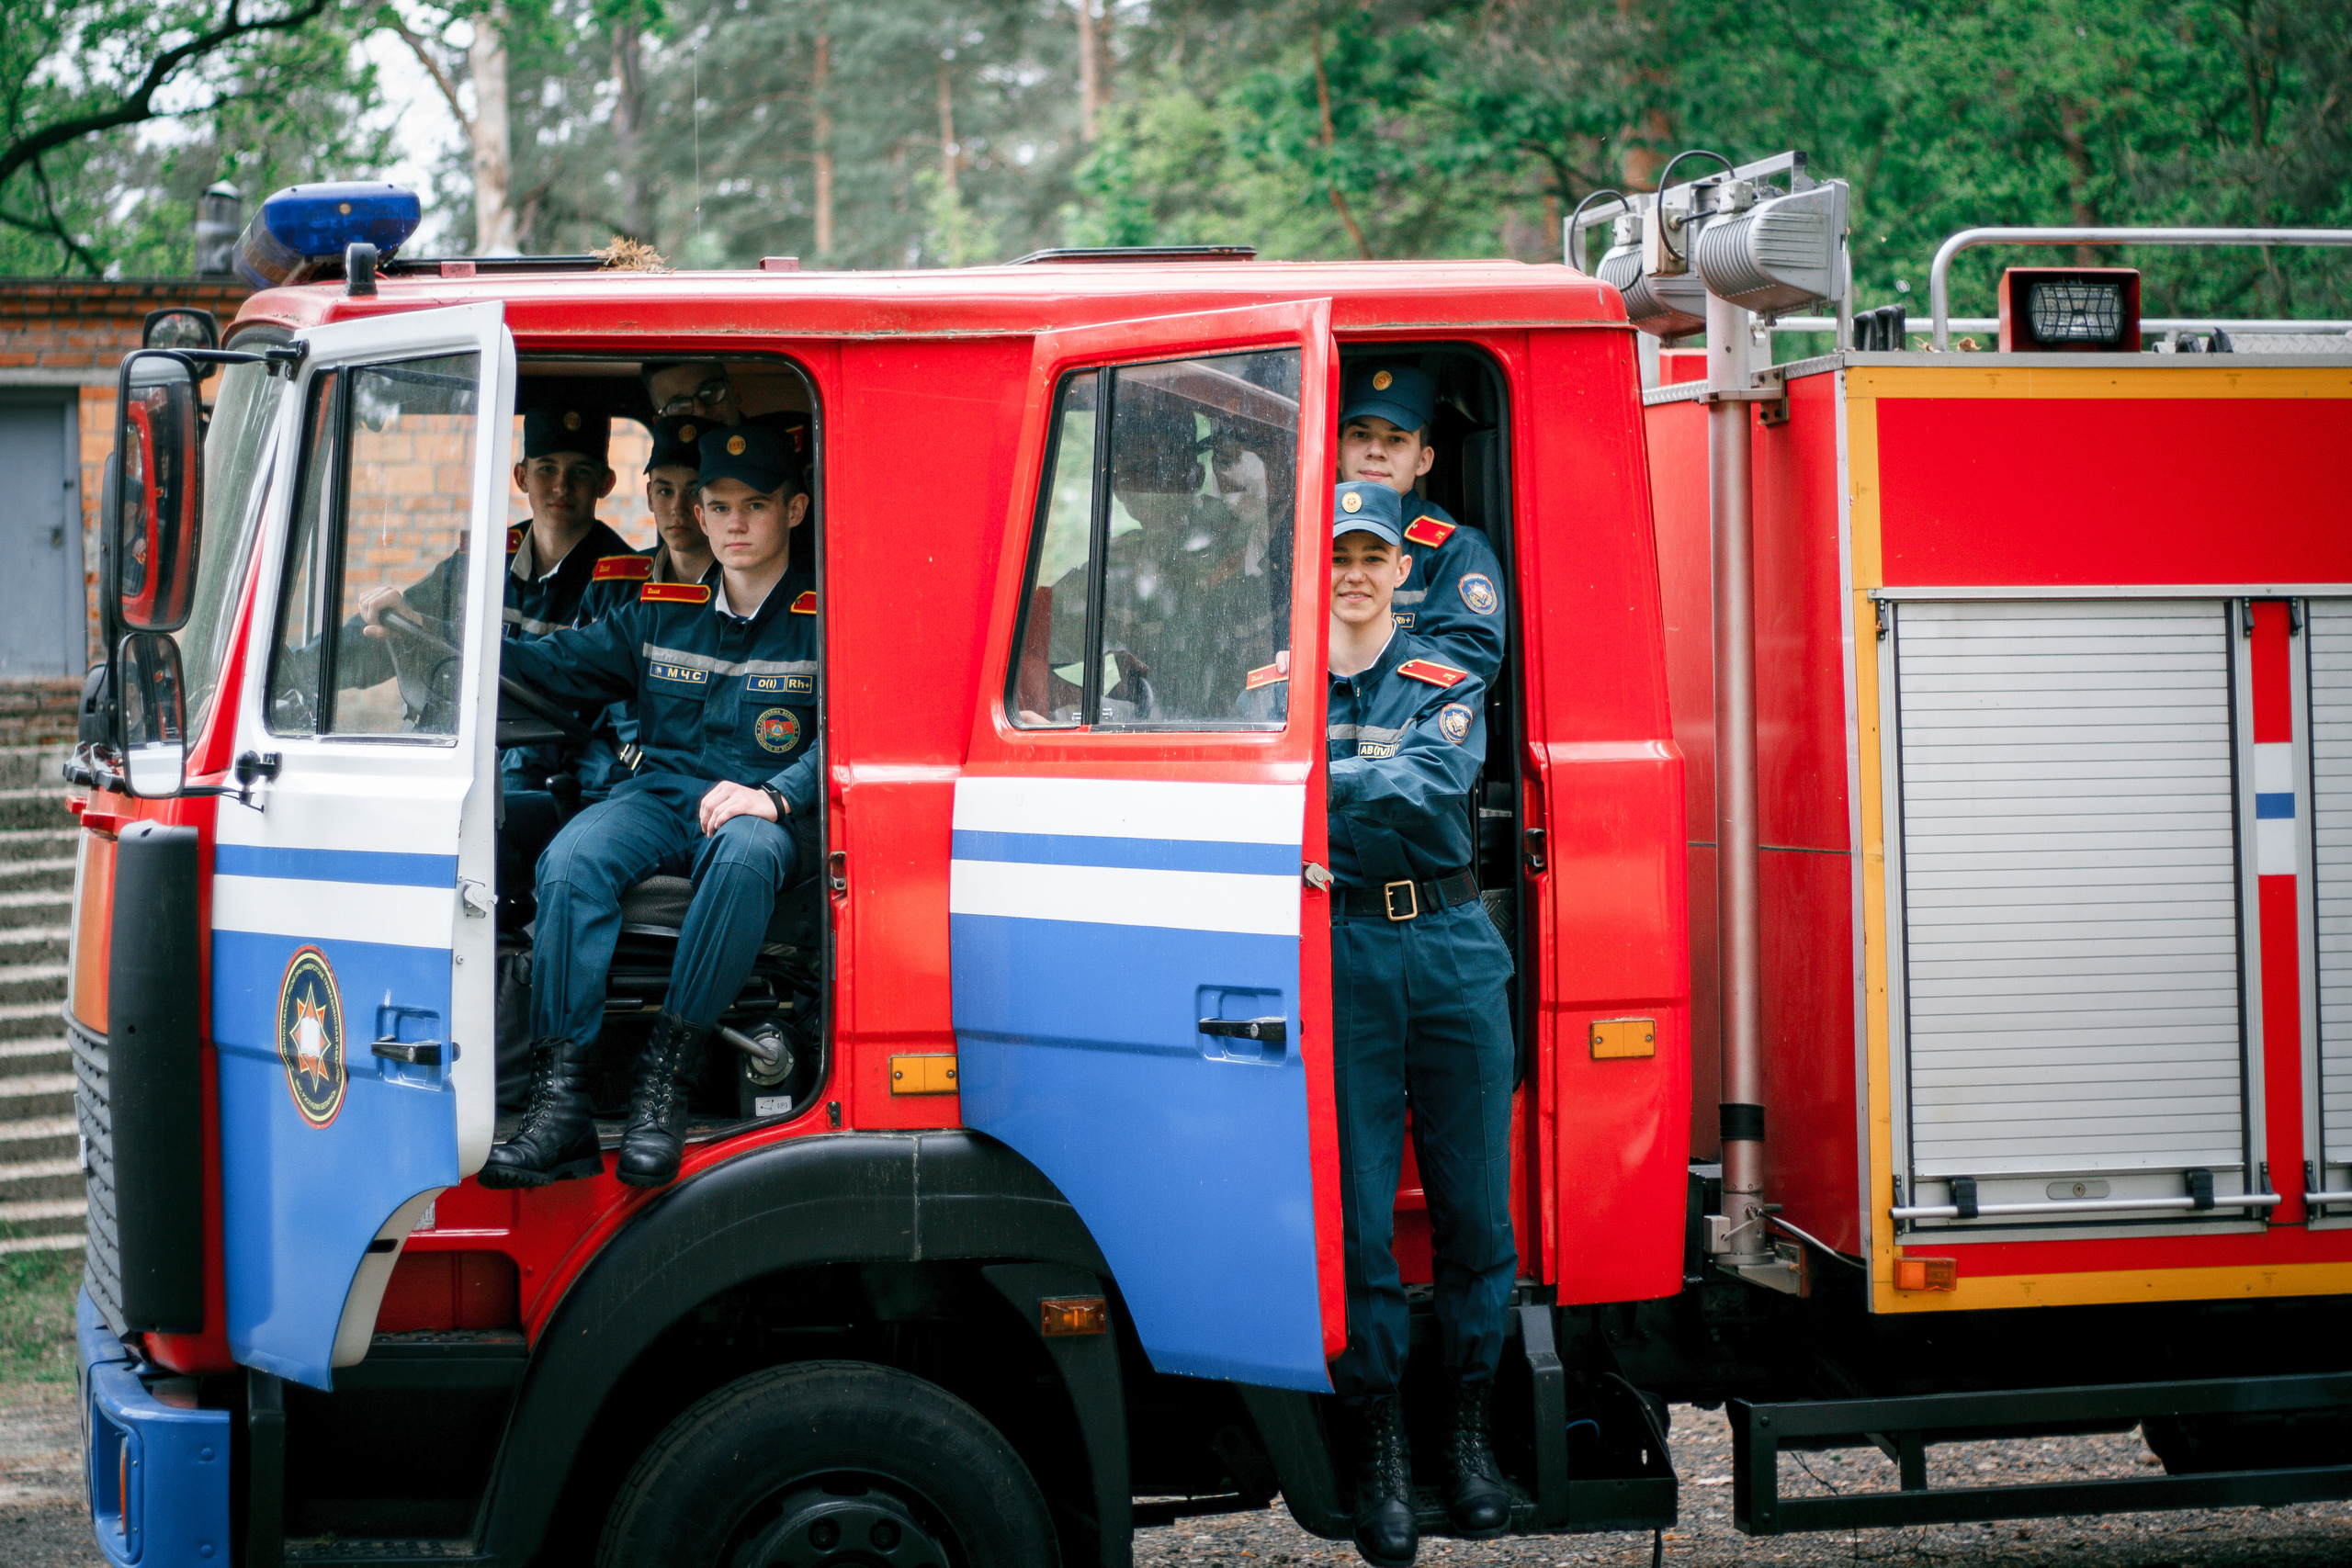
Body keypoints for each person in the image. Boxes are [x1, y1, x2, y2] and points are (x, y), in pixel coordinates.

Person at [479, 423, 820, 1191]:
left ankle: (666, 1079)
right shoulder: (660, 612)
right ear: (699, 516)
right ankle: (561, 1102)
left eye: (756, 505)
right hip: (663, 798)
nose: (735, 523)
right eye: (720, 506)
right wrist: (449, 638)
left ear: (794, 510)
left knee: (743, 856)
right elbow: (556, 665)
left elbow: (853, 737)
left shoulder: (826, 619)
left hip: (763, 819)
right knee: (568, 857)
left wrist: (774, 796)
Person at [1322, 480, 1517, 1566]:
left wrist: (1329, 780)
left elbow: (1438, 792)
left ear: (1405, 570)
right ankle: (1380, 1447)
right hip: (1338, 957)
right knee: (1355, 1221)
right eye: (1338, 557)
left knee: (1475, 1210)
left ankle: (1469, 1433)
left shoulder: (1444, 674)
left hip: (1447, 948)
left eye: (1372, 555)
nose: (1353, 573)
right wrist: (1374, 769)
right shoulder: (1274, 687)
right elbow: (1279, 787)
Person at [1045, 384, 1280, 725]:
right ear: (1120, 490)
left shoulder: (1246, 545)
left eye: (1164, 467)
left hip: (1250, 739)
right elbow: (1024, 652)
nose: (1154, 487)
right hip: (1153, 749)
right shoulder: (1113, 567)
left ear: (1195, 474)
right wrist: (1091, 707)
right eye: (1136, 475)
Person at [1336, 362, 1507, 687]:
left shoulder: (1456, 551)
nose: (1375, 451)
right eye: (1361, 435)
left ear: (1423, 460)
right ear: (1337, 451)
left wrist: (1359, 659)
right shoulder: (1305, 540)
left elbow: (1471, 658)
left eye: (1396, 440)